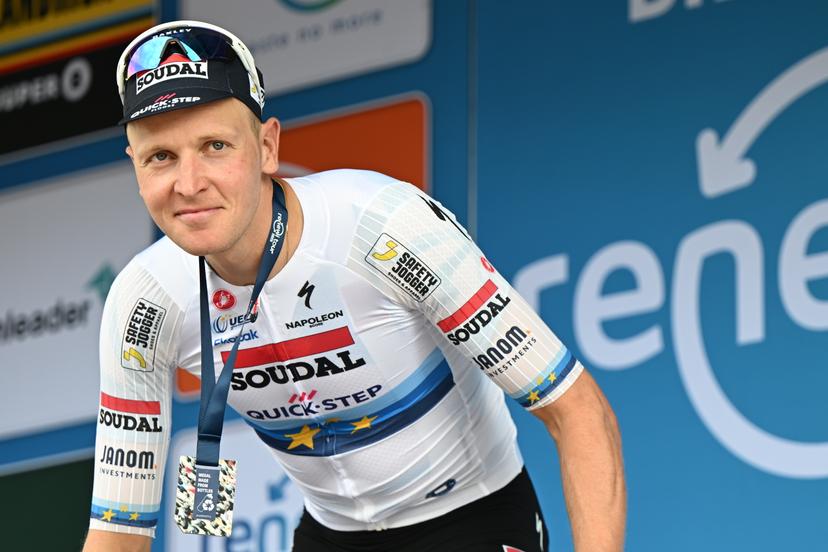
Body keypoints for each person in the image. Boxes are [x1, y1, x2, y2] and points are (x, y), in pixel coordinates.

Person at [83, 19, 626, 552]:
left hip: (471, 516)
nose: (190, 183)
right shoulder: (145, 301)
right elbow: (120, 531)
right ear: (134, 166)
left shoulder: (383, 225)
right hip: (330, 535)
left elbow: (575, 408)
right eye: (161, 157)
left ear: (267, 147)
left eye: (216, 147)